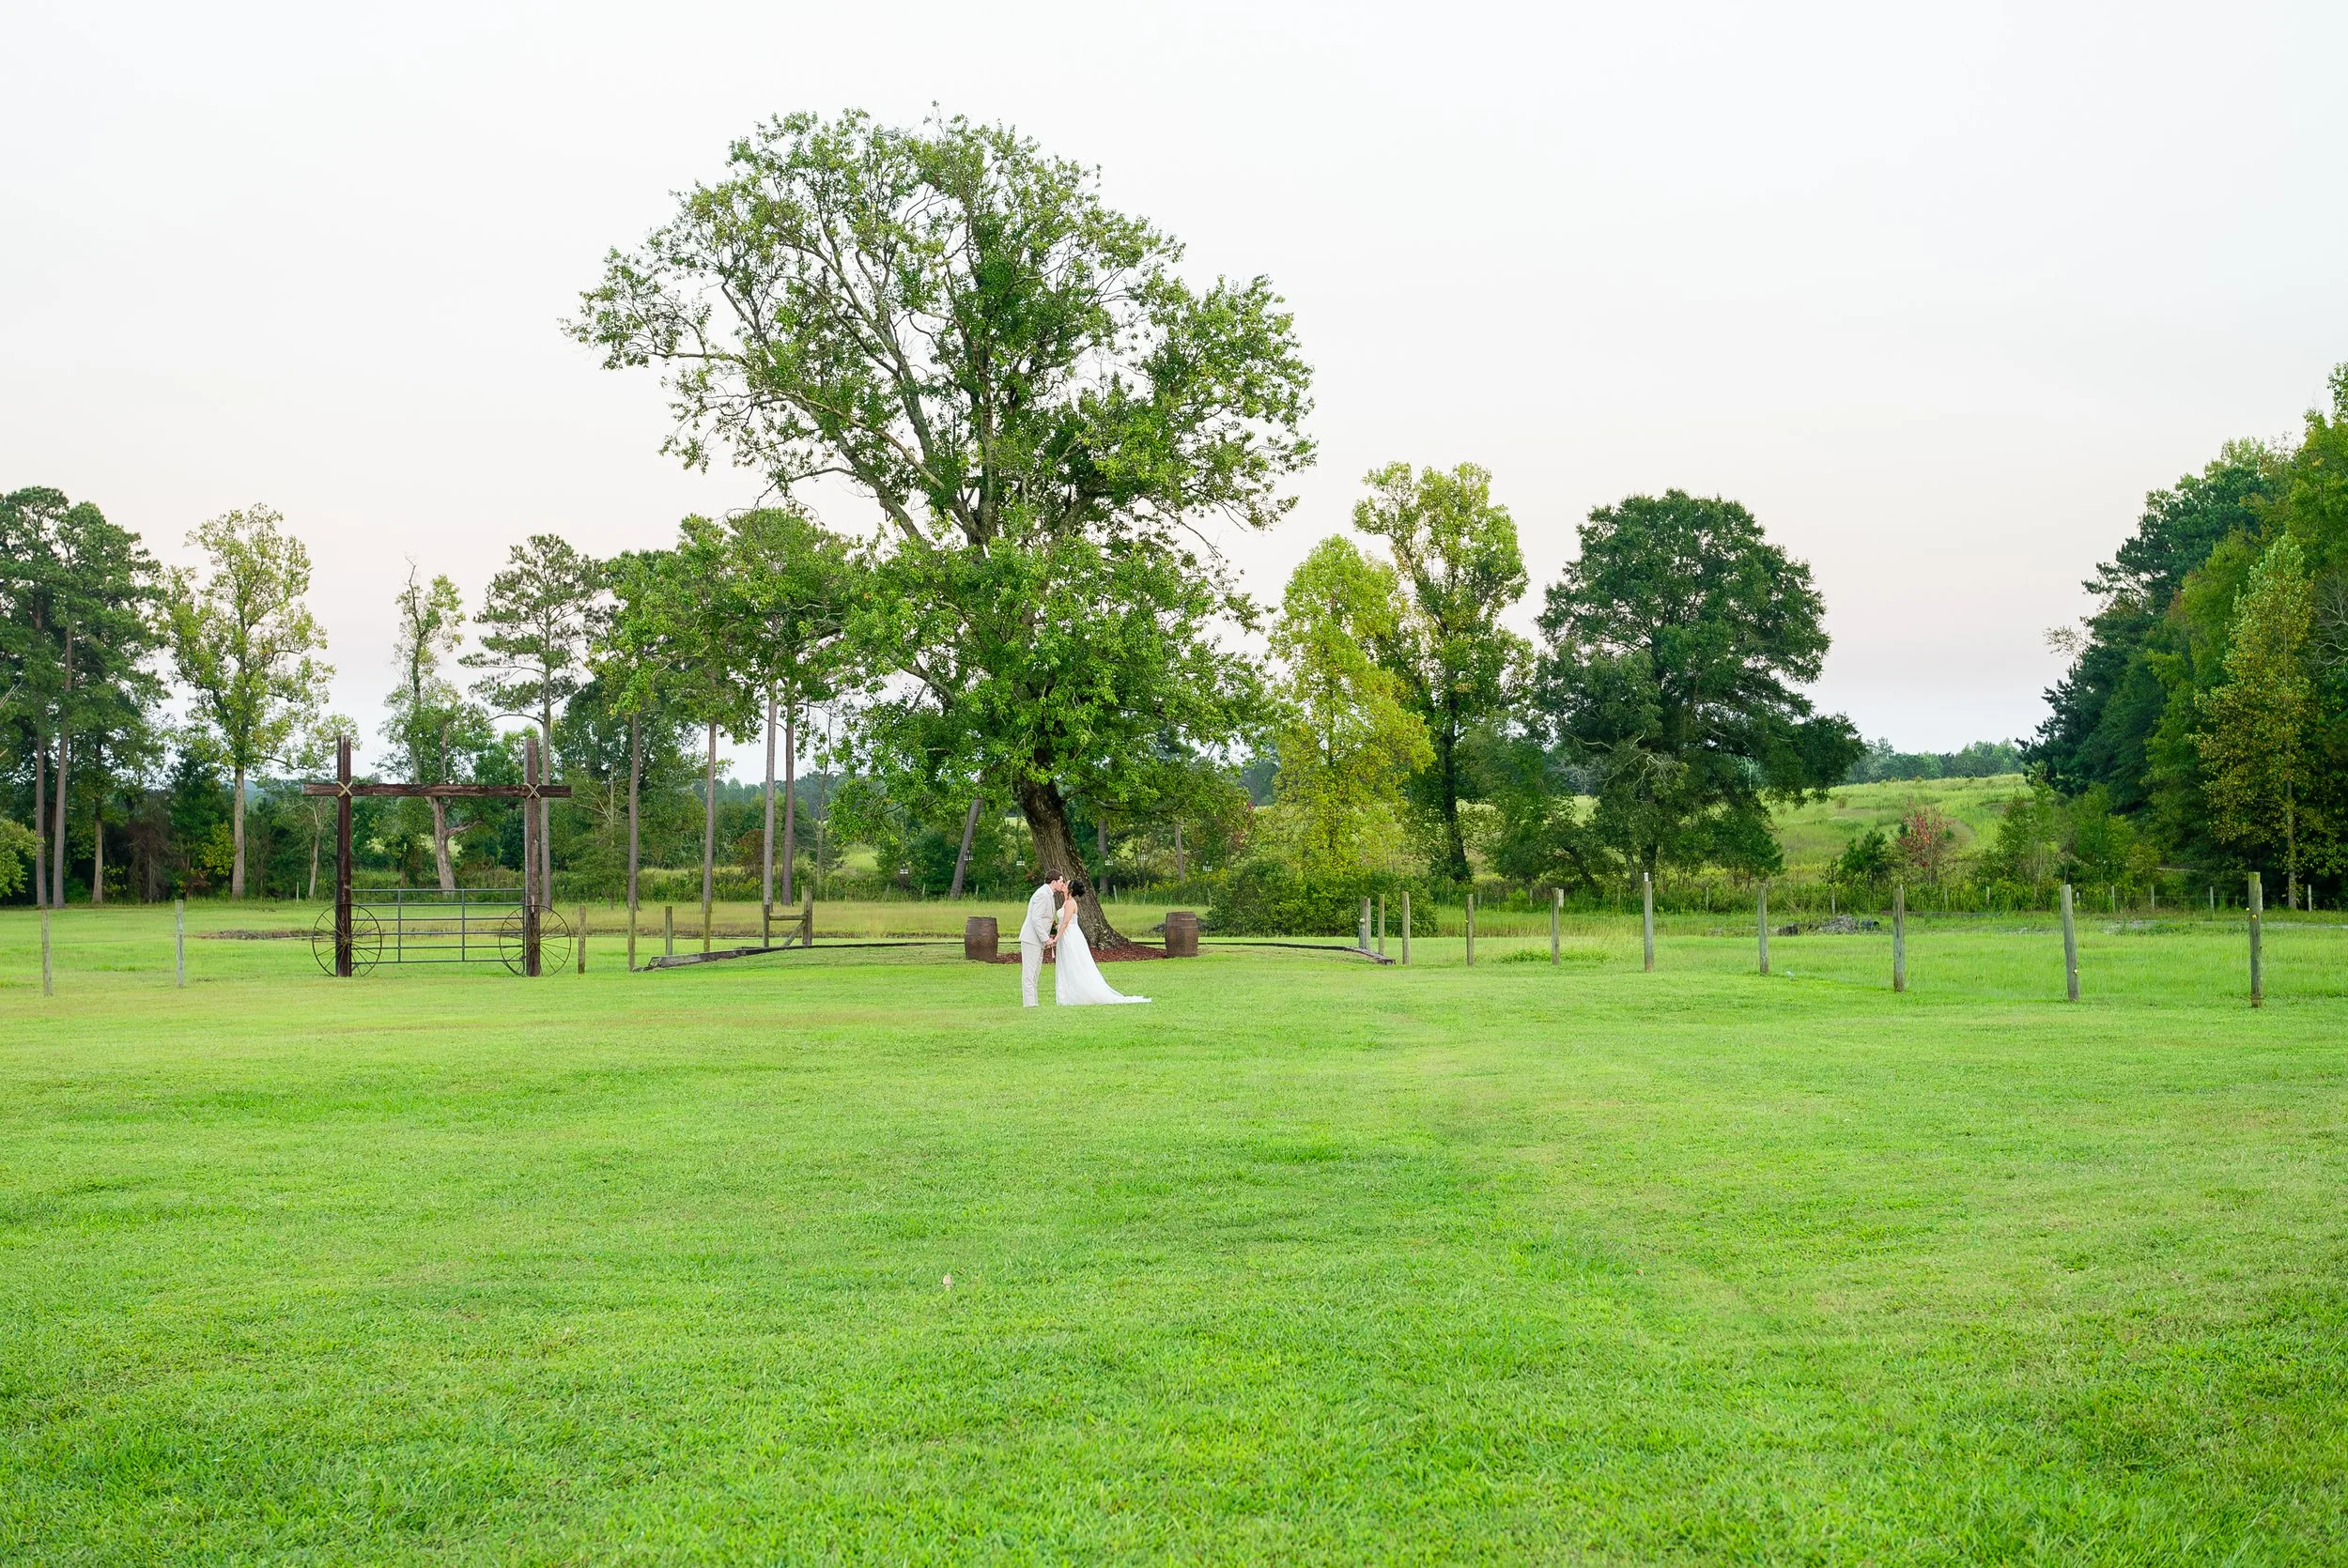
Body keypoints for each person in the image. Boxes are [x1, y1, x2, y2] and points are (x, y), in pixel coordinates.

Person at [1054, 878, 1150, 1006]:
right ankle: (1069, 992)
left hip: (1070, 935)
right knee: (1068, 962)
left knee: (1075, 961)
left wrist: (1056, 938)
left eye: (1066, 884)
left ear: (1070, 889)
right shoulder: (1066, 902)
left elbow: (1066, 922)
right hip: (1066, 935)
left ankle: (1082, 992)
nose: (1063, 885)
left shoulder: (1071, 903)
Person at [1019, 872, 1067, 1007]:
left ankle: (1033, 1003)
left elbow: (1046, 919)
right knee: (1029, 973)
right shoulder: (1042, 894)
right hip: (1031, 939)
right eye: (1061, 881)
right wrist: (1045, 939)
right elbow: (1036, 918)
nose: (1062, 884)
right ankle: (1029, 1004)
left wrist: (1049, 935)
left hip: (1037, 940)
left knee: (1035, 972)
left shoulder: (1048, 894)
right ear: (1053, 882)